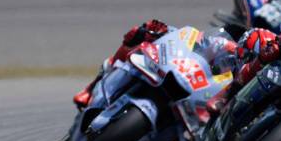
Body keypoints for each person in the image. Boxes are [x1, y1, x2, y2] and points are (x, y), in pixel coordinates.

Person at [72, 19, 238, 108]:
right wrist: (159, 31)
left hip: (195, 94)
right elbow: (191, 39)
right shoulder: (216, 43)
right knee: (138, 35)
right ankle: (89, 89)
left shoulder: (236, 74)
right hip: (178, 70)